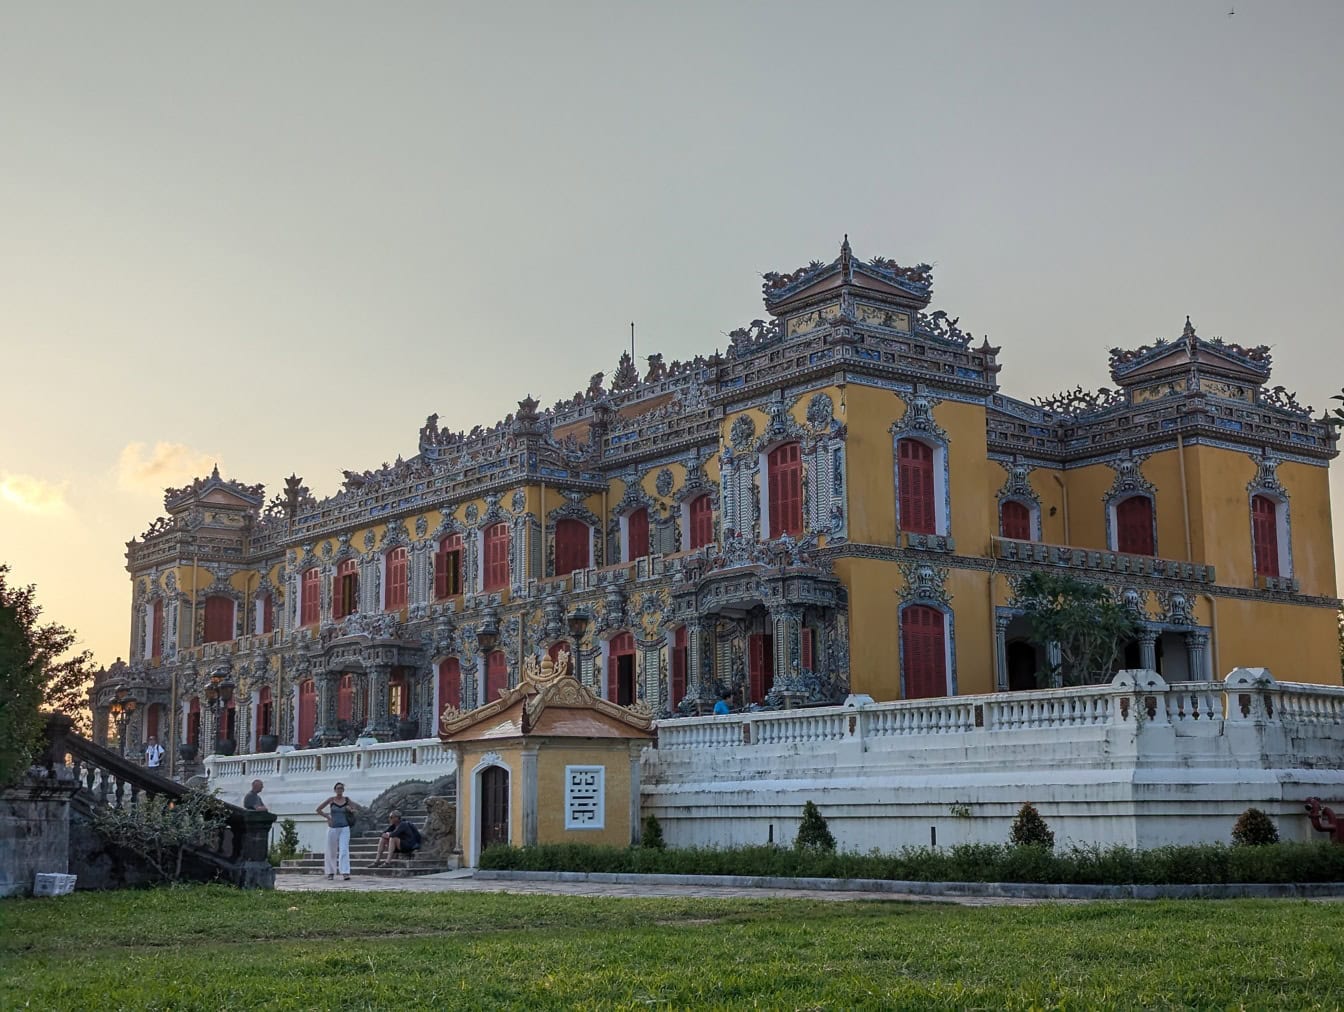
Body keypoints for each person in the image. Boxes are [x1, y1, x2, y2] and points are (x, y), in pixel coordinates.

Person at [316, 782, 360, 881]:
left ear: (343, 790)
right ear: (335, 790)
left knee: (344, 850)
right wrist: (328, 817)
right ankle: (330, 872)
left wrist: (351, 810)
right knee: (331, 850)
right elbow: (318, 809)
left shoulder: (347, 800)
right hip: (333, 828)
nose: (339, 790)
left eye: (341, 788)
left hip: (344, 827)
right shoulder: (331, 800)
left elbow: (355, 809)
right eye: (337, 788)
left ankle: (345, 872)